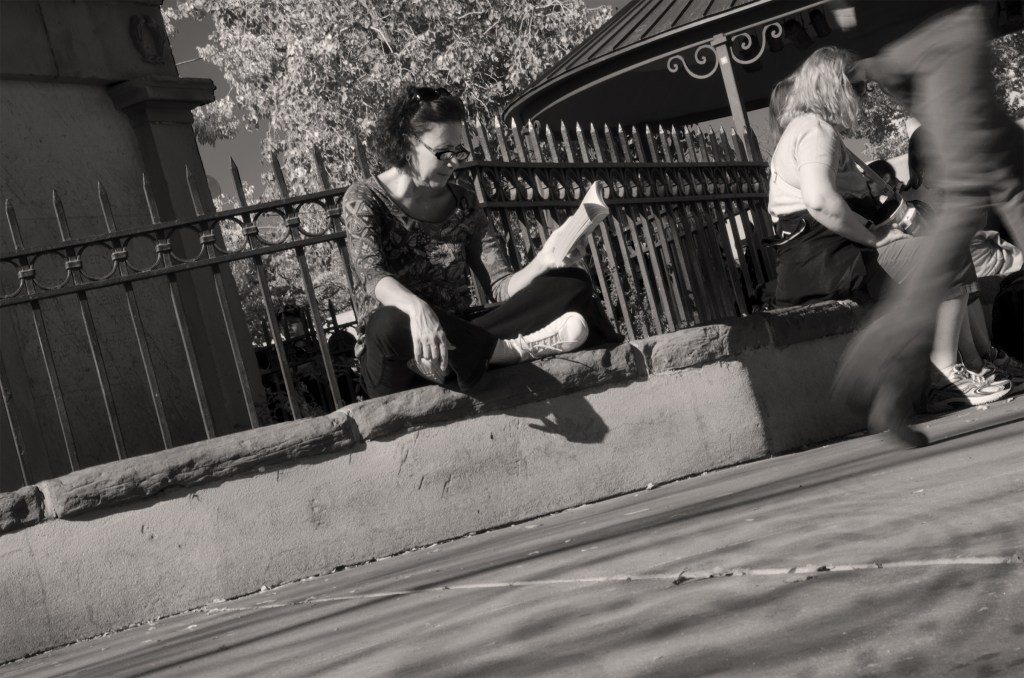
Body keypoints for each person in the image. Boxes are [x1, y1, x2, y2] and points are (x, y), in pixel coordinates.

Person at [765, 47, 1009, 415]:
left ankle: (966, 367)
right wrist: (874, 237)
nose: (864, 98)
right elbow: (819, 201)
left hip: (825, 257)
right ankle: (946, 377)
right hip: (828, 261)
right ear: (835, 87)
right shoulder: (814, 130)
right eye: (859, 88)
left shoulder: (807, 128)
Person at [341, 85, 619, 398]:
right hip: (399, 355)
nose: (454, 162)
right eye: (443, 152)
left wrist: (546, 259)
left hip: (457, 335)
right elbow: (371, 275)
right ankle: (506, 351)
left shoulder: (465, 202)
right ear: (407, 143)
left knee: (573, 282)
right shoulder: (363, 198)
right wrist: (417, 309)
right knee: (389, 322)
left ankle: (481, 353)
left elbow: (500, 286)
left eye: (458, 151)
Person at [830, 1, 1024, 445]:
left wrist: (867, 46)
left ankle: (884, 377)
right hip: (947, 38)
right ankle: (877, 367)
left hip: (931, 48)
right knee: (972, 207)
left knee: (999, 190)